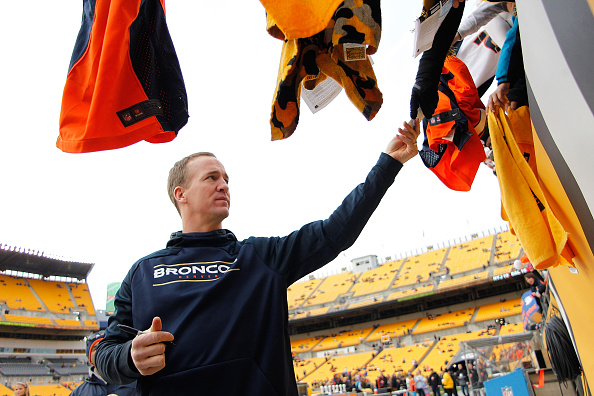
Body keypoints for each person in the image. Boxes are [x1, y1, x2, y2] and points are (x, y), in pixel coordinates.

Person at [95, 121, 421, 395]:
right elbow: (107, 355)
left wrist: (387, 165)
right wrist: (129, 356)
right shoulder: (143, 272)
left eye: (226, 179)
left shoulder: (261, 257)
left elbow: (333, 233)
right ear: (180, 194)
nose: (223, 185)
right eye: (211, 178)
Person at [71, 333, 136, 396]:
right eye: (96, 348)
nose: (100, 352)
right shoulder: (78, 393)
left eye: (105, 347)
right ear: (89, 357)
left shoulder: (135, 383)